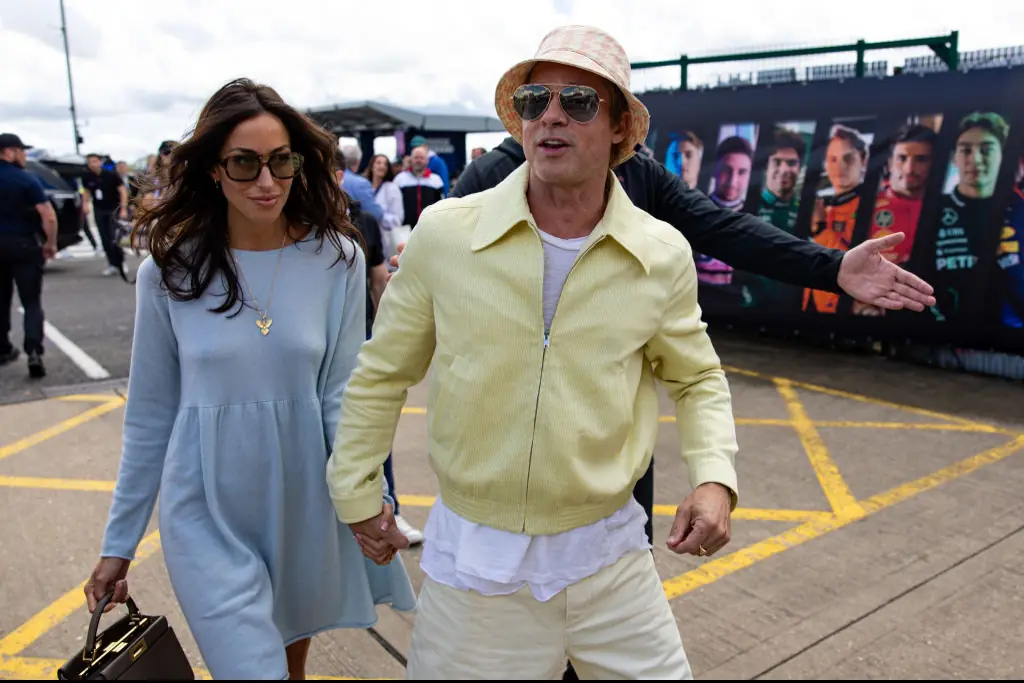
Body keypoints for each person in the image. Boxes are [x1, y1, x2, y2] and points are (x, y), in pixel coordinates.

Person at [327, 25, 737, 679]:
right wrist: (355, 491)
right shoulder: (448, 234)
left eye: (577, 101)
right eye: (533, 100)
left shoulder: (659, 254)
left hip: (609, 560)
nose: (550, 114)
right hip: (476, 570)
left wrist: (714, 478)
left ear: (620, 128)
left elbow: (697, 378)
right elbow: (382, 372)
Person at [85, 78, 415, 681]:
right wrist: (118, 545)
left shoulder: (336, 258)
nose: (267, 182)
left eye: (280, 161)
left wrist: (371, 498)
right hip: (204, 504)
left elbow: (341, 394)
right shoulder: (168, 272)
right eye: (244, 163)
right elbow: (151, 415)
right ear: (213, 168)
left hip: (302, 497)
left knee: (287, 667)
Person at [337, 154, 424, 545]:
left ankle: (391, 511)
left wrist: (385, 335)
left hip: (360, 340)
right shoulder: (287, 227)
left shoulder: (362, 222)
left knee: (374, 427)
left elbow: (378, 282)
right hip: (319, 351)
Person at [0, 133, 57, 378]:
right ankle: (34, 352)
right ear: (9, 152)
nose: (24, 155)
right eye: (21, 151)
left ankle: (2, 349)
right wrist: (51, 243)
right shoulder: (26, 180)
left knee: (0, 301)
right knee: (31, 302)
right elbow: (48, 215)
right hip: (24, 246)